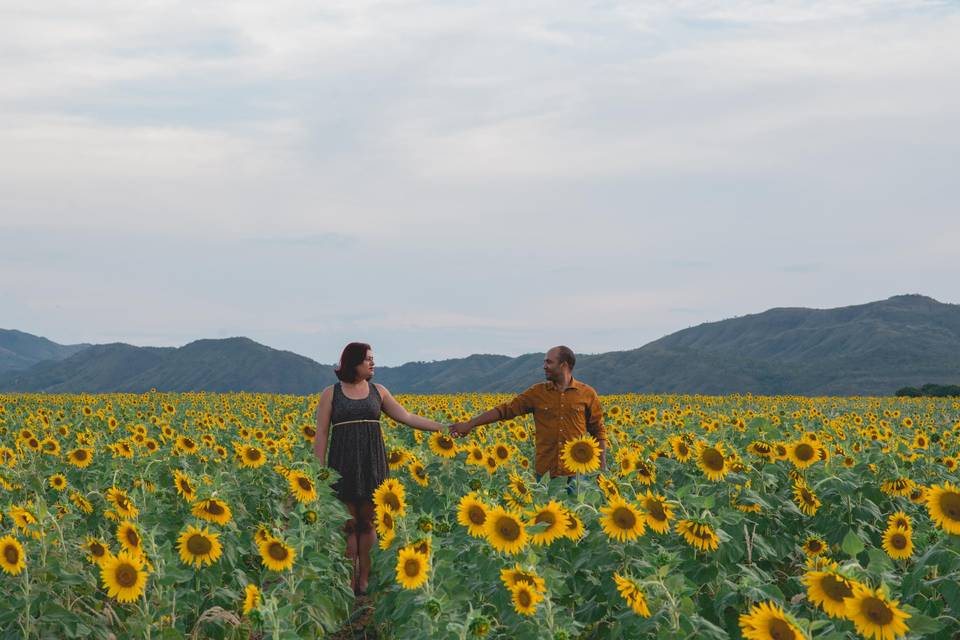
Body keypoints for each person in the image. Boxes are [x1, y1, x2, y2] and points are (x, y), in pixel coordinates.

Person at [313, 342, 446, 597]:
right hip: (343, 464)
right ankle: (349, 581)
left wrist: (442, 427)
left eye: (373, 359)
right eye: (368, 359)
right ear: (354, 362)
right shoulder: (332, 393)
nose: (373, 363)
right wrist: (319, 472)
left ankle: (364, 581)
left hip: (373, 463)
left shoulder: (378, 391)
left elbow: (407, 417)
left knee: (369, 524)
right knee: (349, 524)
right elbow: (321, 434)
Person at [450, 346, 606, 479]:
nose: (544, 366)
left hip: (577, 474)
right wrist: (470, 424)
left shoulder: (587, 394)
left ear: (564, 365)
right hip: (545, 475)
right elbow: (505, 410)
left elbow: (598, 432)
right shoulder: (537, 393)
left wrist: (601, 470)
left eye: (549, 362)